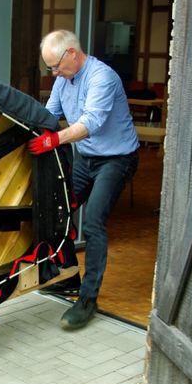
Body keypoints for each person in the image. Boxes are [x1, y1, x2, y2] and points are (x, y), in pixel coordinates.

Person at [28, 29, 140, 330]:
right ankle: (69, 277)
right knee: (58, 210)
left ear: (72, 54)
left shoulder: (102, 77)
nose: (53, 73)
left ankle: (88, 299)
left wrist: (55, 140)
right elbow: (48, 115)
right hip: (86, 158)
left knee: (92, 222)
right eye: (49, 68)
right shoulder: (63, 80)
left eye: (55, 66)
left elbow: (92, 122)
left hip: (116, 159)